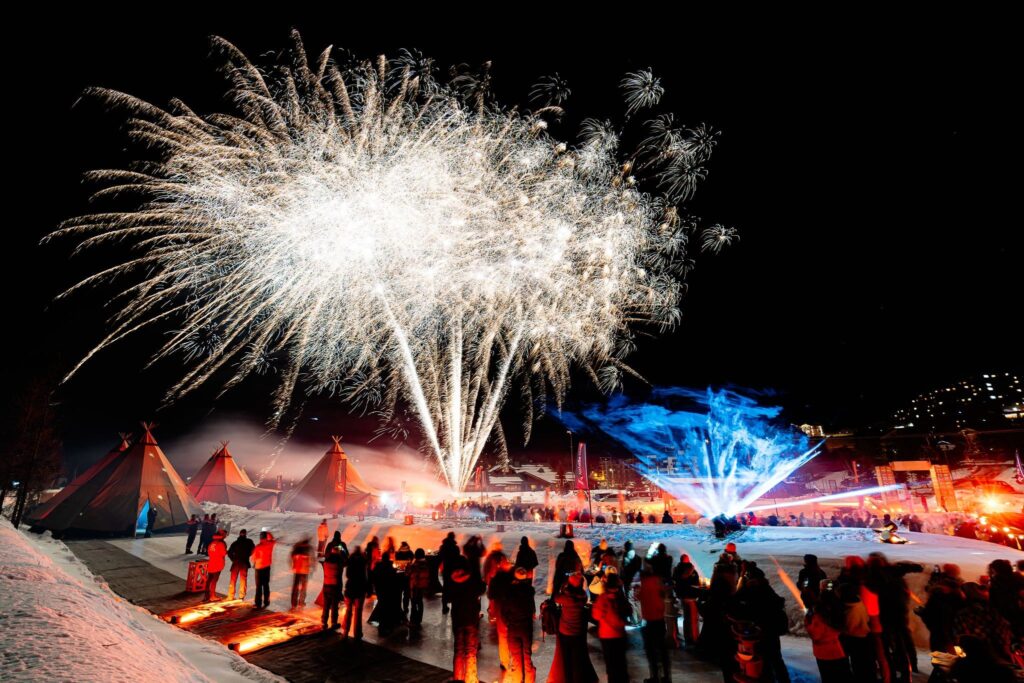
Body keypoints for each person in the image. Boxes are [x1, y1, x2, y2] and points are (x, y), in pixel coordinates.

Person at [731, 563, 790, 682]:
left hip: (759, 632)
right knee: (776, 659)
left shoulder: (751, 590)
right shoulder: (766, 588)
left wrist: (744, 587)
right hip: (772, 631)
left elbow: (734, 602)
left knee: (763, 660)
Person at [551, 572, 598, 683]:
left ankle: (568, 679)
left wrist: (562, 587)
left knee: (567, 660)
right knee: (577, 660)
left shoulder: (567, 598)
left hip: (565, 632)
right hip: (578, 632)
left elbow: (555, 597)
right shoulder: (583, 596)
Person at [805, 586, 853, 683]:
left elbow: (815, 635)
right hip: (838, 651)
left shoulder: (818, 617)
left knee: (828, 677)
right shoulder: (839, 612)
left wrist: (808, 621)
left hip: (823, 654)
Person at [449, 567, 485, 683]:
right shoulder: (472, 583)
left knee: (458, 650)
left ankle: (458, 677)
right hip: (470, 619)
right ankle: (471, 678)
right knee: (470, 650)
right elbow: (482, 588)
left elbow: (447, 598)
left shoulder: (453, 583)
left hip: (458, 619)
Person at [593, 573, 630, 683]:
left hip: (607, 635)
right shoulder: (621, 597)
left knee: (611, 664)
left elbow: (596, 615)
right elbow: (629, 610)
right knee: (621, 663)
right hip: (620, 634)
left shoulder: (602, 598)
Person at [502, 567, 536, 683]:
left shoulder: (509, 593)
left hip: (513, 627)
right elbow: (532, 609)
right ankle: (529, 680)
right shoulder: (529, 592)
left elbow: (504, 612)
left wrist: (508, 622)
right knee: (527, 655)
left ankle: (518, 679)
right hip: (526, 628)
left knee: (516, 657)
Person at [638, 563, 670, 683]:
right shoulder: (658, 581)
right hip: (660, 619)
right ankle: (666, 676)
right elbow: (663, 594)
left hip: (650, 621)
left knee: (651, 651)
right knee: (662, 650)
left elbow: (640, 597)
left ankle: (655, 677)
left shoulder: (645, 584)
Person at [487, 554, 514, 673]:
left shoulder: (496, 577)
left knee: (503, 636)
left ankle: (504, 661)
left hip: (500, 609)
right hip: (512, 609)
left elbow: (490, 595)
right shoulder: (513, 576)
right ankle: (514, 660)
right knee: (512, 635)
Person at [672, 553, 701, 646]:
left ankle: (688, 637)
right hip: (690, 597)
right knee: (693, 619)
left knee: (687, 618)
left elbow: (676, 582)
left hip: (683, 596)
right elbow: (695, 582)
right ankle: (693, 638)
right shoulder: (690, 569)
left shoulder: (677, 570)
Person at [342, 545, 368, 639]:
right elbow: (365, 577)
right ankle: (357, 634)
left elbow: (347, 575)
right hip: (360, 590)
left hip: (350, 589)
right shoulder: (363, 562)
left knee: (348, 611)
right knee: (358, 612)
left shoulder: (350, 560)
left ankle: (345, 632)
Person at [227, 529, 255, 600]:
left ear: (239, 534)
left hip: (236, 562)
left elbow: (229, 552)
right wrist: (248, 555)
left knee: (233, 579)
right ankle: (241, 596)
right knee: (243, 579)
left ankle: (230, 595)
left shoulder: (235, 543)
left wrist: (233, 559)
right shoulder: (249, 542)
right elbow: (253, 550)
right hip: (244, 562)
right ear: (245, 534)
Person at [321, 545, 344, 629]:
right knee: (334, 606)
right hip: (335, 586)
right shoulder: (339, 562)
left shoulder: (326, 561)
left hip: (326, 585)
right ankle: (334, 622)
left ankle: (324, 621)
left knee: (326, 605)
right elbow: (339, 576)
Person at [406, 548, 431, 627]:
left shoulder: (415, 565)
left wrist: (408, 566)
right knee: (420, 602)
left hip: (415, 586)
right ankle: (419, 619)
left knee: (414, 604)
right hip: (422, 586)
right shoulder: (426, 563)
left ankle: (413, 621)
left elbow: (407, 573)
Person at [439, 532, 461, 614]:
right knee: (454, 588)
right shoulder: (456, 547)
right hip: (454, 570)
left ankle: (444, 607)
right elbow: (458, 558)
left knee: (445, 588)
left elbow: (440, 556)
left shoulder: (443, 547)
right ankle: (454, 608)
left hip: (446, 570)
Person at [252, 530, 275, 609]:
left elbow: (254, 558)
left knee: (259, 586)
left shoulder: (258, 546)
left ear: (260, 538)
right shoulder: (270, 544)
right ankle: (266, 602)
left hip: (259, 568)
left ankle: (258, 603)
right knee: (266, 585)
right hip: (267, 567)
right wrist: (268, 533)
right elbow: (273, 539)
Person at [290, 537, 313, 608]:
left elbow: (292, 558)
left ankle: (294, 603)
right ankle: (301, 602)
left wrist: (293, 566)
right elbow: (310, 561)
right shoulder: (307, 550)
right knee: (303, 587)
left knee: (296, 587)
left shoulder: (296, 550)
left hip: (297, 570)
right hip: (304, 571)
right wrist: (311, 568)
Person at [206, 530, 227, 601]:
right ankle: (212, 595)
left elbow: (209, 552)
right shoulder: (221, 543)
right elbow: (223, 553)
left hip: (211, 563)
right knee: (214, 580)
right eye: (224, 535)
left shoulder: (212, 543)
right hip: (217, 564)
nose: (225, 536)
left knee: (209, 580)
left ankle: (207, 596)